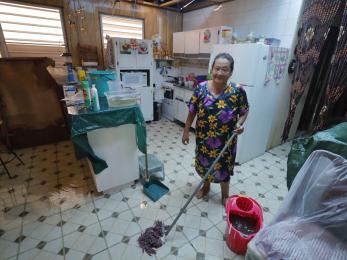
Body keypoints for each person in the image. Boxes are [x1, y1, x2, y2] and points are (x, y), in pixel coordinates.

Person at [182, 53, 249, 206]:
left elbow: (244, 111)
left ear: (231, 72)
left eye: (224, 69)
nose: (220, 72)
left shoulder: (238, 91)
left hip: (226, 141)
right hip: (204, 138)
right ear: (212, 69)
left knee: (224, 168)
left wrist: (239, 124)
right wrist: (186, 130)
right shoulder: (201, 88)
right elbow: (192, 111)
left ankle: (225, 195)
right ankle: (206, 188)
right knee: (205, 164)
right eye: (217, 68)